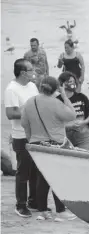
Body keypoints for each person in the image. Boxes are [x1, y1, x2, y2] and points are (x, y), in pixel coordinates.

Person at [20, 76, 78, 221]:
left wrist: (31, 141)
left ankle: (43, 211)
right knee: (58, 177)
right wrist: (64, 95)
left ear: (40, 87)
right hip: (55, 145)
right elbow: (72, 115)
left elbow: (24, 124)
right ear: (55, 89)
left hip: (36, 144)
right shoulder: (55, 103)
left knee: (42, 178)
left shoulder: (29, 102)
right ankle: (60, 211)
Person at [4, 59, 39, 217]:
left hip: (36, 134)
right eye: (31, 69)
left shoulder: (32, 86)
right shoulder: (11, 89)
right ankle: (20, 205)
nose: (34, 71)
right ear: (23, 73)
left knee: (36, 171)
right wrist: (28, 111)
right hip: (21, 135)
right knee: (23, 172)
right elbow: (10, 114)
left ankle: (34, 201)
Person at [57, 72, 89, 150]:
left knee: (85, 157)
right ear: (63, 84)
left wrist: (83, 122)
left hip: (83, 135)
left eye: (74, 81)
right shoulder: (57, 100)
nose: (73, 84)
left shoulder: (82, 97)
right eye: (70, 82)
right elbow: (54, 122)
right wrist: (68, 125)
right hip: (64, 137)